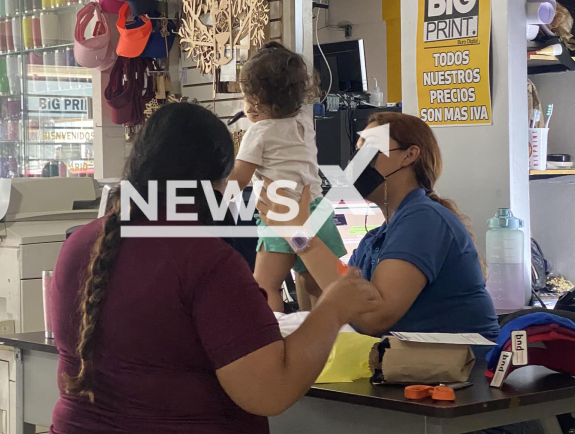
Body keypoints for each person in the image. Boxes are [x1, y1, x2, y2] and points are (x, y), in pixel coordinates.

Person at [50, 103, 381, 434]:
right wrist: (333, 309)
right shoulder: (204, 260)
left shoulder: (79, 243)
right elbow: (268, 392)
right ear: (219, 180)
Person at [256, 111, 500, 357]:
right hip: (410, 369)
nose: (358, 161)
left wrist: (302, 236)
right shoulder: (375, 238)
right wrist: (298, 251)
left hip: (461, 376)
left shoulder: (424, 219)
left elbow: (374, 317)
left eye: (370, 149)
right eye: (357, 151)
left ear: (409, 155)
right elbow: (338, 303)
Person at [229, 42, 346, 312]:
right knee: (313, 283)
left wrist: (213, 194)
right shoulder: (304, 122)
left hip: (281, 213)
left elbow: (239, 180)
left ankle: (274, 339)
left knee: (265, 285)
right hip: (316, 210)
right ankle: (318, 334)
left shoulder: (258, 133)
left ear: (256, 103)